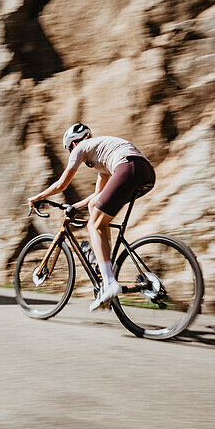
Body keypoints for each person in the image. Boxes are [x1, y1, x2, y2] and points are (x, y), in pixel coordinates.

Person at [28, 123, 156, 311]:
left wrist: (38, 197)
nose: (72, 152)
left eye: (69, 149)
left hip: (126, 168)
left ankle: (109, 282)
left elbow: (62, 184)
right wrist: (74, 207)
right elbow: (98, 194)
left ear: (72, 144)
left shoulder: (80, 148)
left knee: (93, 225)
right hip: (145, 172)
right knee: (95, 209)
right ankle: (107, 271)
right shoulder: (101, 158)